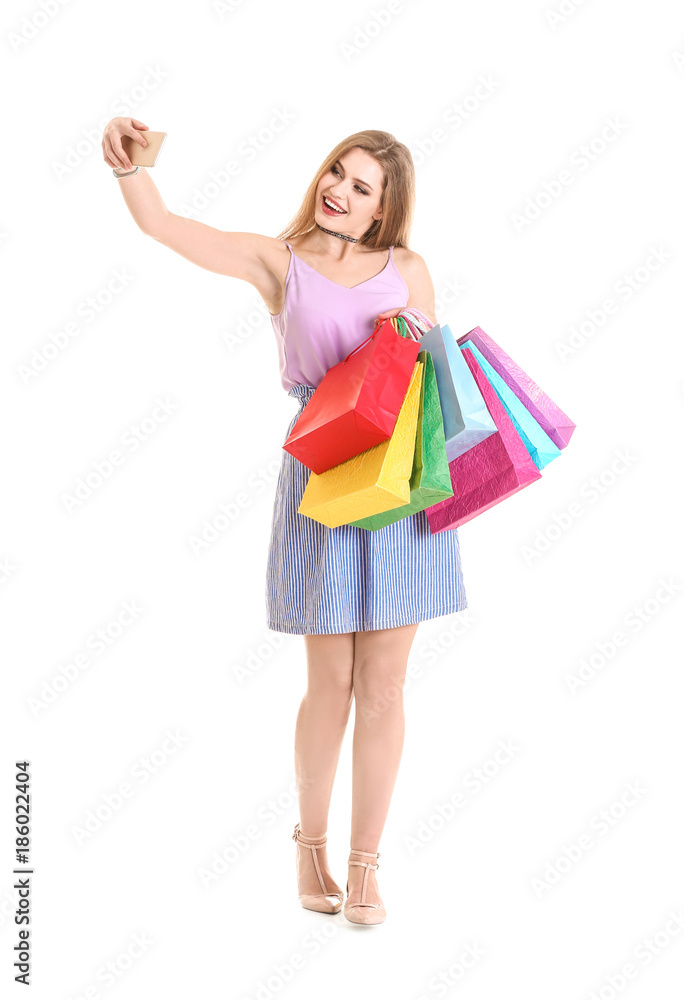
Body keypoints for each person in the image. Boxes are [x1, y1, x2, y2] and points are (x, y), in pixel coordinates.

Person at [103, 120, 468, 925]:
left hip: (401, 484)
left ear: (382, 210)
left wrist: (414, 339)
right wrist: (131, 169)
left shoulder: (409, 269)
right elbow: (169, 228)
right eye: (337, 170)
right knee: (329, 683)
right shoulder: (282, 262)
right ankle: (310, 848)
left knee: (386, 686)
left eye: (361, 185)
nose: (338, 187)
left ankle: (367, 866)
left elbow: (435, 384)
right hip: (323, 475)